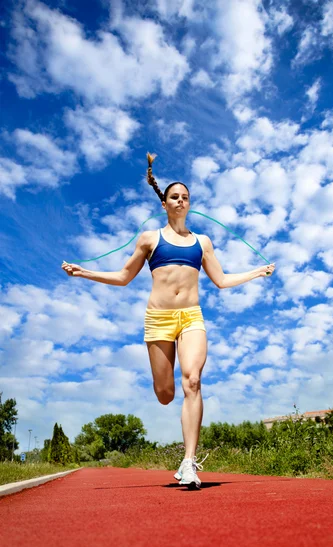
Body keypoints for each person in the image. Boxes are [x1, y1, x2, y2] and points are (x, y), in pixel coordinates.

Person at [62, 153, 275, 488]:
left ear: (190, 204)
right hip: (158, 318)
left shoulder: (202, 242)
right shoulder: (149, 239)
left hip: (191, 317)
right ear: (164, 203)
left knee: (193, 381)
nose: (180, 200)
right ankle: (168, 401)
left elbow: (221, 280)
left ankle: (189, 462)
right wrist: (83, 272)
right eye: (174, 196)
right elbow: (122, 276)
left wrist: (256, 272)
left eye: (185, 197)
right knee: (165, 393)